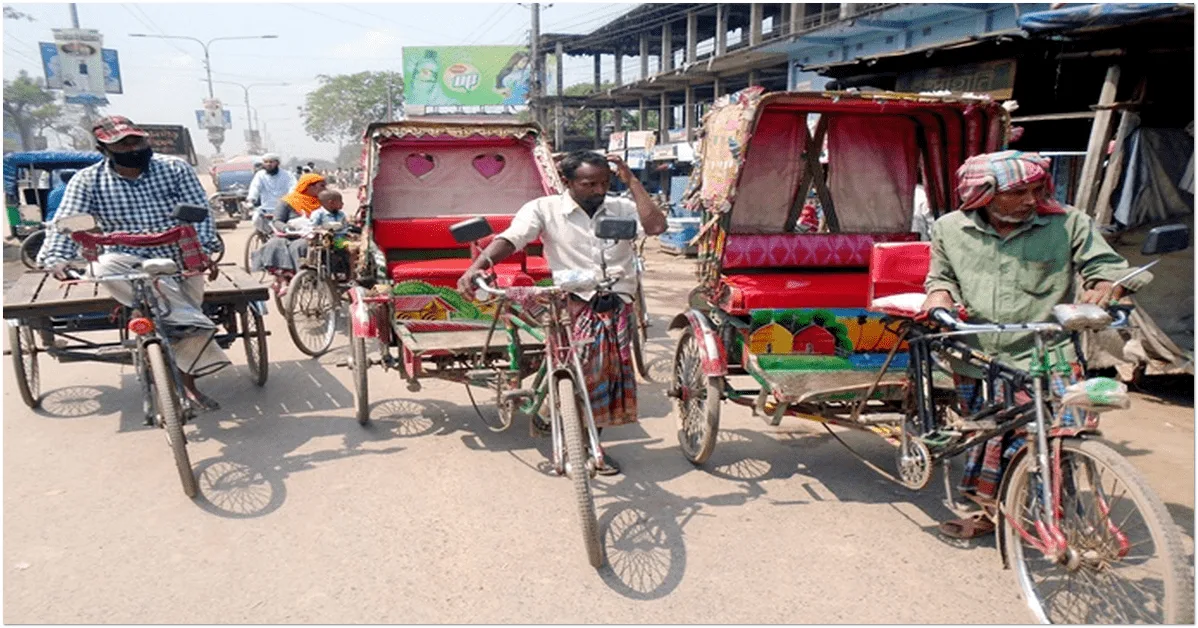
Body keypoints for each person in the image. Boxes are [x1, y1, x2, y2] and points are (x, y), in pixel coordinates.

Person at [920, 150, 1150, 539]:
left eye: (1036, 189)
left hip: (1049, 349)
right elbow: (940, 277)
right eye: (1020, 192)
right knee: (989, 437)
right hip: (978, 352)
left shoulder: (1069, 224)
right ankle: (991, 512)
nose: (1032, 199)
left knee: (1063, 433)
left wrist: (1106, 285)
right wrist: (939, 296)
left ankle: (1057, 516)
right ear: (983, 195)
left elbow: (1106, 268)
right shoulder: (949, 228)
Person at [456, 150, 667, 475]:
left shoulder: (624, 207)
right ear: (567, 182)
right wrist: (478, 267)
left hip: (616, 299)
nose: (599, 190)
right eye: (589, 183)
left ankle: (591, 443)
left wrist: (632, 181)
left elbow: (655, 226)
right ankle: (570, 422)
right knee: (583, 367)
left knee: (607, 377)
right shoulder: (544, 208)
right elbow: (513, 239)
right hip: (569, 299)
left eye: (604, 183)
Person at [37, 116, 228, 411]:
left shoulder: (175, 169)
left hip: (176, 256)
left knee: (179, 315)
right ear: (104, 148)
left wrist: (201, 251)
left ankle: (188, 385)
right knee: (103, 267)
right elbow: (67, 222)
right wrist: (56, 258)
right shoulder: (87, 180)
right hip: (125, 261)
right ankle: (187, 323)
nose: (133, 146)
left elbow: (201, 214)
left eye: (136, 140)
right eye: (123, 143)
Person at [251, 173, 327, 276]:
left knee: (300, 246)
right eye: (322, 186)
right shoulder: (287, 201)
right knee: (274, 244)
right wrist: (286, 228)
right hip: (289, 233)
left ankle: (301, 275)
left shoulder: (325, 201)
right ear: (309, 186)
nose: (325, 188)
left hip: (310, 236)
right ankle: (282, 277)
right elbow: (277, 221)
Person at [246, 152, 296, 234]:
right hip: (266, 208)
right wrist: (251, 200)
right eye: (266, 162)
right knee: (255, 220)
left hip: (283, 209)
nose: (268, 164)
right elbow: (255, 187)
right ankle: (270, 234)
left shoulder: (287, 175)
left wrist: (290, 199)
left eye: (271, 162)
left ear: (277, 163)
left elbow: (293, 188)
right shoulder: (260, 175)